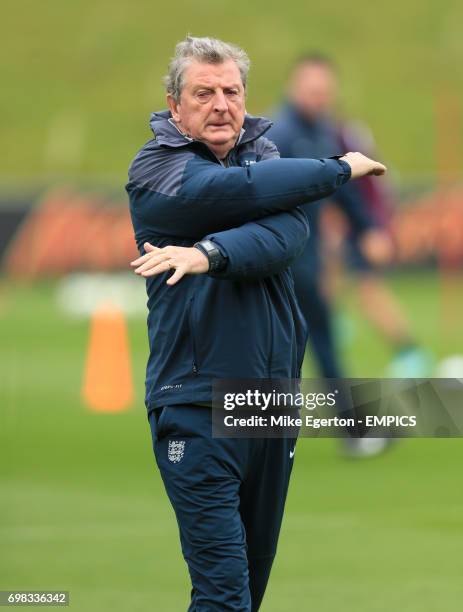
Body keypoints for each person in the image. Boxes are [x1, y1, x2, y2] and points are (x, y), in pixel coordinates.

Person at [126, 36, 386, 611]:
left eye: (231, 92)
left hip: (271, 404)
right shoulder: (157, 169)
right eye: (204, 93)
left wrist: (208, 253)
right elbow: (228, 192)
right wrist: (338, 168)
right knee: (224, 597)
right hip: (197, 405)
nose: (221, 104)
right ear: (174, 106)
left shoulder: (264, 157)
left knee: (248, 593)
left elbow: (287, 235)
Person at [267, 53, 430, 457]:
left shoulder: (324, 130)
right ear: (294, 87)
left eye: (324, 90)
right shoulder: (278, 134)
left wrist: (367, 229)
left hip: (305, 257)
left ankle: (344, 429)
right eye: (312, 89)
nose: (318, 97)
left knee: (305, 341)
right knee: (294, 342)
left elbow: (344, 186)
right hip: (278, 257)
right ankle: (348, 430)